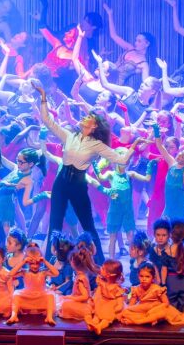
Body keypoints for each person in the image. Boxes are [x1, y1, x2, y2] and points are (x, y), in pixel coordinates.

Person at [36, 84, 141, 264]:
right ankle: (49, 263)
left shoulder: (97, 145)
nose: (84, 118)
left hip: (78, 182)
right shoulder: (69, 135)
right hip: (61, 181)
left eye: (88, 118)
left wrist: (133, 145)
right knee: (55, 222)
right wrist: (43, 96)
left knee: (88, 225)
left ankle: (100, 263)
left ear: (94, 126)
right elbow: (47, 120)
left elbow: (121, 161)